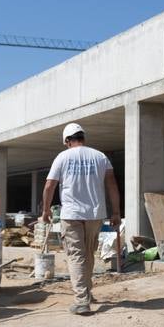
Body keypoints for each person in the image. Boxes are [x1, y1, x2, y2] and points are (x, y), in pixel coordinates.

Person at [41, 122, 120, 315]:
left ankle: (81, 301)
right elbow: (112, 185)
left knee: (76, 255)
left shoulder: (63, 157)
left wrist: (45, 210)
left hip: (72, 214)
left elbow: (49, 185)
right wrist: (116, 212)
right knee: (88, 254)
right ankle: (87, 292)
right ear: (82, 137)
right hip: (95, 214)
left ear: (67, 141)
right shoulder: (100, 156)